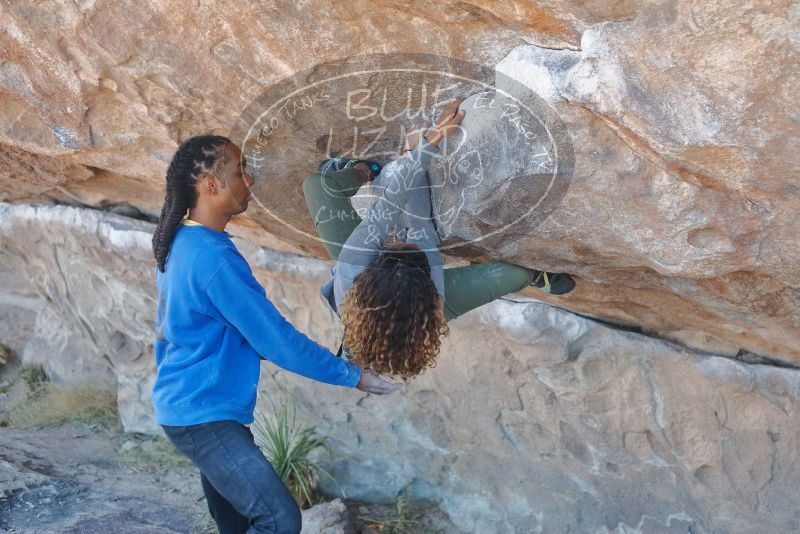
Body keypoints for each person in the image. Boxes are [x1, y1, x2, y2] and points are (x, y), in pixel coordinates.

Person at [150, 135, 401, 534]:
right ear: (210, 186)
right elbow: (273, 339)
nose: (249, 179)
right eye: (239, 171)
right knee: (279, 519)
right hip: (203, 415)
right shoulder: (212, 258)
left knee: (236, 524)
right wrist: (353, 375)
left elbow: (242, 333)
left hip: (189, 406)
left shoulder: (182, 241)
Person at [303, 99, 576, 379]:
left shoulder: (353, 264)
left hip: (377, 293)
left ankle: (362, 169)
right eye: (412, 252)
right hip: (420, 308)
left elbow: (389, 207)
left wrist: (423, 147)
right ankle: (532, 276)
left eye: (400, 248)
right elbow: (421, 229)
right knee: (515, 272)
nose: (404, 242)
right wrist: (412, 153)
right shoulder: (433, 302)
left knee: (316, 186)